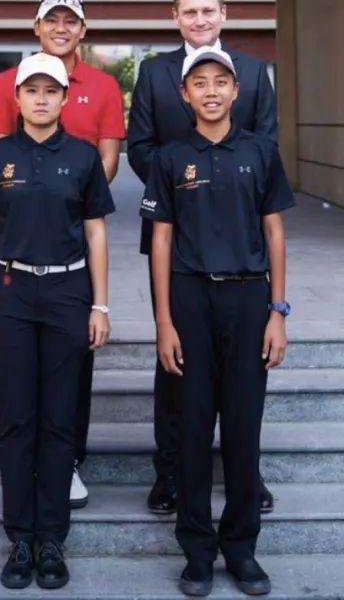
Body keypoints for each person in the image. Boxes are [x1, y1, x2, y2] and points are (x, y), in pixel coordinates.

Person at [141, 47, 293, 598]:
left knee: (244, 427)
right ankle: (198, 552)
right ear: (185, 95)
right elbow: (161, 242)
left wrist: (278, 312)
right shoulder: (169, 158)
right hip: (190, 299)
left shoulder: (260, 152)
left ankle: (242, 548)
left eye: (220, 82)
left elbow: (274, 232)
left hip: (249, 298)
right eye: (200, 83)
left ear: (236, 91)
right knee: (192, 426)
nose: (211, 91)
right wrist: (164, 322)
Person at [126, 0, 278, 515]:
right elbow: (140, 147)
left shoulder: (254, 73)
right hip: (175, 234)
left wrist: (222, 183)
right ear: (175, 17)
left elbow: (266, 149)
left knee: (244, 367)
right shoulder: (154, 73)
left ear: (224, 14)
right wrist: (187, 181)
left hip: (240, 241)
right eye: (189, 11)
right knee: (175, 358)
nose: (199, 19)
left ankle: (246, 474)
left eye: (208, 10)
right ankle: (169, 471)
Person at [0, 51, 114, 591]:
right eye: (32, 91)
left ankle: (52, 538)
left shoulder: (82, 157)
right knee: (17, 419)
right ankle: (20, 537)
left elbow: (96, 232)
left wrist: (100, 305)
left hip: (67, 292)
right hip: (10, 292)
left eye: (51, 91)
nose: (41, 99)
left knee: (58, 419)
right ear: (17, 97)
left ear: (63, 98)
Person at [0, 0, 125, 509]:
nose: (61, 28)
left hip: (76, 230)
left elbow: (108, 158)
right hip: (23, 240)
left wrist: (74, 194)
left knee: (73, 363)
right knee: (22, 373)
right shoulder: (8, 82)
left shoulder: (104, 86)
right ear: (37, 28)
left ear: (82, 31)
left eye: (71, 21)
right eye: (52, 20)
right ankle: (25, 466)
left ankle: (67, 463)